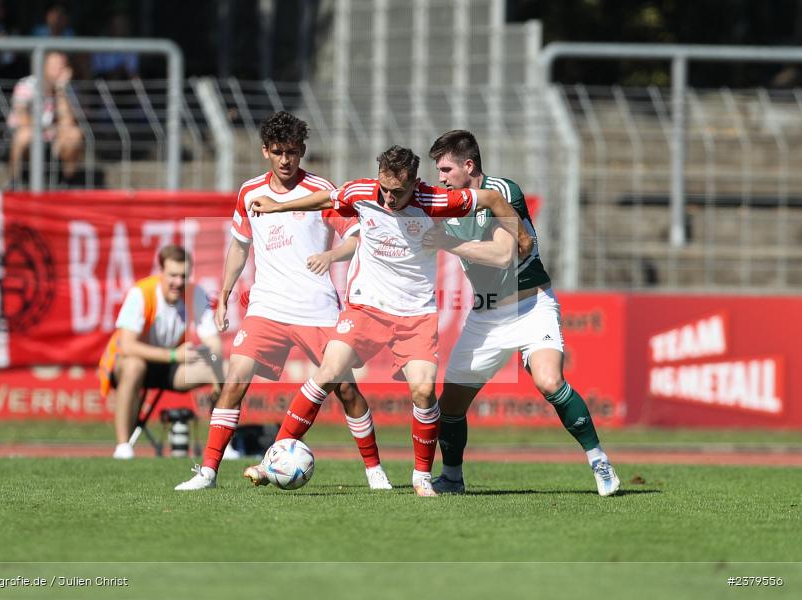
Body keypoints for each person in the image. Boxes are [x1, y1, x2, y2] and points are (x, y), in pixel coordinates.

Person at [245, 145, 529, 496]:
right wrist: (278, 206)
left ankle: (422, 476)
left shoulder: (436, 200)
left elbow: (491, 200)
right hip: (366, 307)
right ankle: (272, 457)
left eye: (398, 191)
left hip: (415, 314)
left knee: (424, 391)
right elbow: (324, 200)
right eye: (385, 188)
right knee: (328, 373)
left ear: (415, 183)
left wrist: (520, 234)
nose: (389, 198)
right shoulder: (362, 192)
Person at [174, 111, 392, 491]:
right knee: (233, 382)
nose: (286, 160)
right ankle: (207, 472)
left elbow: (358, 238)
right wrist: (224, 296)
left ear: (303, 150)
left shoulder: (322, 190)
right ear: (265, 151)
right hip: (267, 308)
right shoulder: (249, 192)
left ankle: (375, 470)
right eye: (278, 152)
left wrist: (331, 256)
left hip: (318, 308)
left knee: (345, 389)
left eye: (292, 151)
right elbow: (239, 248)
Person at [424, 129, 620, 496]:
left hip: (531, 306)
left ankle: (599, 460)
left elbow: (503, 254)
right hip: (485, 316)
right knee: (449, 405)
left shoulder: (503, 191)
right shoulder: (445, 203)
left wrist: (448, 243)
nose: (441, 177)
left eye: (447, 169)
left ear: (469, 166)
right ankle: (452, 477)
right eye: (439, 171)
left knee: (549, 381)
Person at [99, 245, 225, 460]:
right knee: (135, 365)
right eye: (173, 275)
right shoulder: (141, 293)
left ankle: (222, 446)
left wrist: (215, 369)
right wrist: (174, 356)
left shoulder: (195, 294)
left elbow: (214, 343)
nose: (178, 282)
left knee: (226, 370)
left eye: (184, 276)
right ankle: (123, 447)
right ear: (160, 272)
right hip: (129, 364)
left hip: (169, 368)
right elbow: (127, 346)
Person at [6, 52, 83, 187]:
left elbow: (68, 122)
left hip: (54, 139)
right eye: (55, 65)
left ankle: (68, 183)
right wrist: (46, 129)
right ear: (43, 67)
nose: (60, 69)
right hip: (31, 137)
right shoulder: (26, 85)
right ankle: (14, 182)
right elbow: (23, 120)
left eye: (62, 65)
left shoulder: (67, 88)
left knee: (74, 135)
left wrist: (60, 91)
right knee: (24, 135)